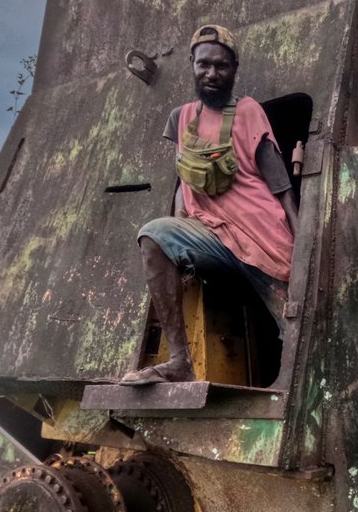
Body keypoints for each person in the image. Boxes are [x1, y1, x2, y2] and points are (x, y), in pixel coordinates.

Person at [120, 24, 298, 384]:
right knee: (154, 235)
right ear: (192, 64)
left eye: (221, 66)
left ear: (234, 70)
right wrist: (179, 226)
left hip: (263, 239)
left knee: (296, 326)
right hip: (211, 235)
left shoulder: (248, 111)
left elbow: (280, 183)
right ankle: (179, 363)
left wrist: (303, 245)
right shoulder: (181, 118)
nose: (212, 73)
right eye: (204, 64)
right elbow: (183, 179)